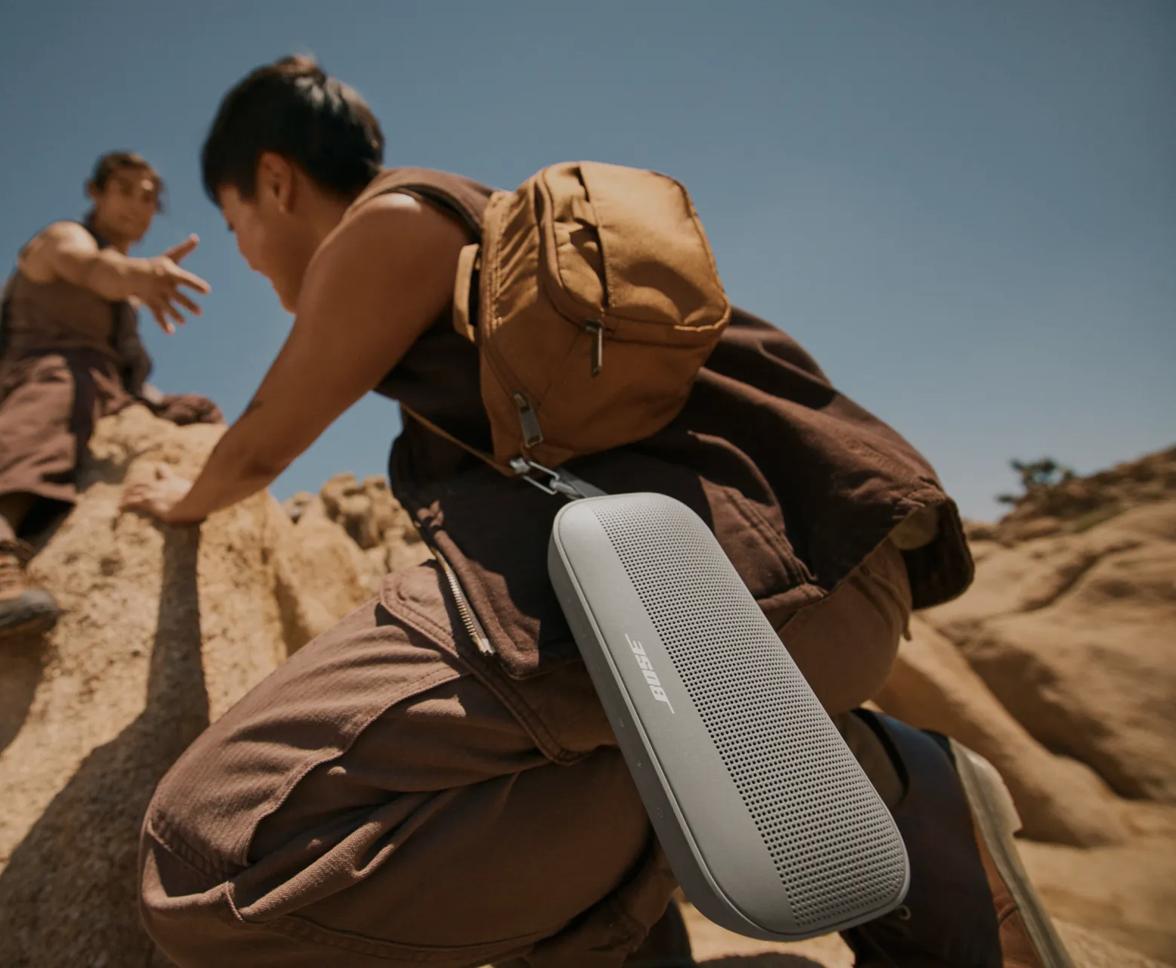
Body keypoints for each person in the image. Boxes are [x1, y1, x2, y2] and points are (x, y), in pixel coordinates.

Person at [125, 56, 1070, 967]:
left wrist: (177, 497)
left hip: (727, 601)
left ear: (276, 182)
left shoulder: (392, 222)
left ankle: (871, 781)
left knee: (209, 859)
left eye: (232, 222)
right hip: (775, 589)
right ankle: (834, 824)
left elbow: (259, 443)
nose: (243, 256)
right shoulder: (464, 235)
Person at [0, 151, 215, 638]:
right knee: (60, 391)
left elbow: (125, 373)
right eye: (124, 190)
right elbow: (93, 268)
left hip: (107, 390)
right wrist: (138, 278)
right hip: (40, 377)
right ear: (96, 193)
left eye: (149, 198)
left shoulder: (125, 306)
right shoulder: (63, 239)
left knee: (195, 411)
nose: (138, 206)